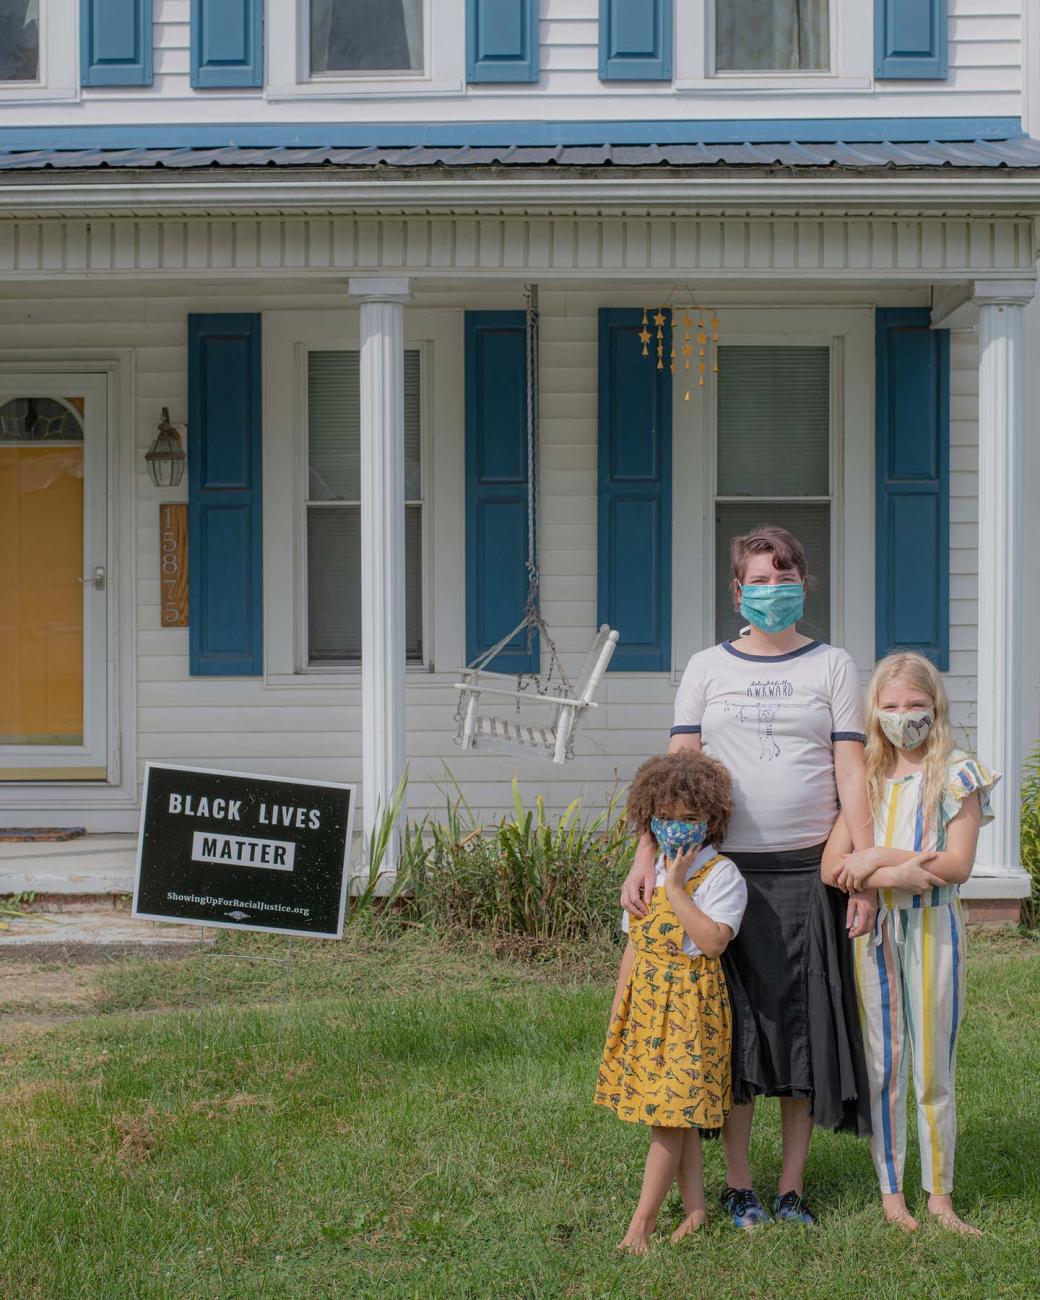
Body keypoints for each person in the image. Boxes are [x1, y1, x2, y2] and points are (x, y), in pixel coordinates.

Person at [620, 524, 876, 1229]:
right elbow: (674, 776)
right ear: (737, 590)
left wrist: (866, 868)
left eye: (783, 575)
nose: (771, 590)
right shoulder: (707, 667)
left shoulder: (833, 666)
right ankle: (740, 1187)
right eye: (757, 581)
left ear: (803, 581)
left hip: (806, 875)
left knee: (797, 1036)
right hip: (717, 875)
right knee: (729, 1037)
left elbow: (851, 770)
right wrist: (646, 855)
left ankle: (791, 1189)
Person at [822, 651, 998, 1237]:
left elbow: (957, 864)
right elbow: (831, 864)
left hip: (932, 930)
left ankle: (940, 1196)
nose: (904, 717)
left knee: (932, 1068)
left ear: (936, 707)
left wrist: (876, 856)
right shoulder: (866, 778)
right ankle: (891, 1190)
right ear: (875, 711)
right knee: (883, 1064)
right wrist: (886, 872)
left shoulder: (956, 772)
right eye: (892, 707)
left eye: (916, 706)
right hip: (873, 933)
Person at [595, 750, 748, 1254]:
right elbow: (634, 945)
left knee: (669, 1116)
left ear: (711, 820)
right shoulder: (645, 874)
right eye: (667, 819)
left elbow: (713, 942)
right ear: (650, 819)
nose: (678, 828)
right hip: (647, 1005)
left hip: (690, 1010)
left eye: (690, 819)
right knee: (673, 1113)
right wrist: (620, 1008)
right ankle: (697, 1210)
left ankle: (640, 1227)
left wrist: (678, 889)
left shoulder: (721, 875)